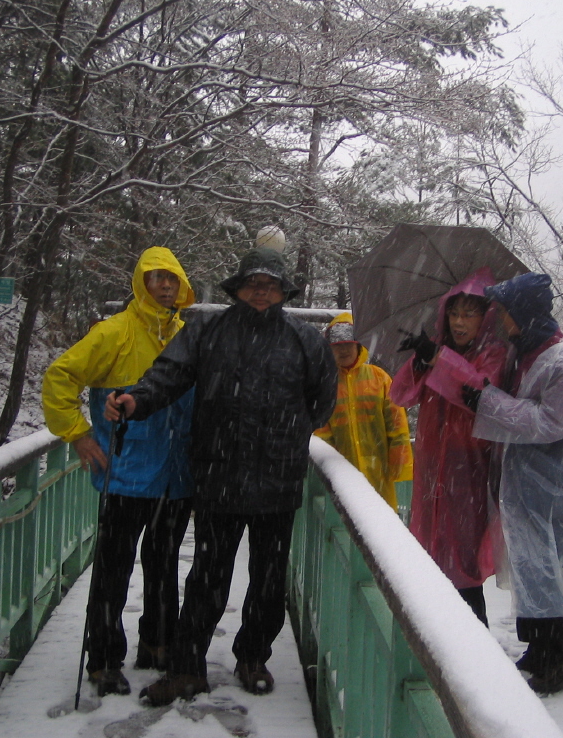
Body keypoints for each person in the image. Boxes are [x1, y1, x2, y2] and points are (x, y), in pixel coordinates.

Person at [103, 247, 337, 704]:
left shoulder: (305, 339)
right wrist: (137, 399)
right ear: (238, 287)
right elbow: (168, 374)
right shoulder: (208, 330)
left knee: (269, 580)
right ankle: (187, 668)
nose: (261, 291)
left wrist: (287, 435)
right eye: (253, 283)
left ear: (283, 291)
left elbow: (322, 399)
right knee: (207, 577)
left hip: (278, 479)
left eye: (270, 284)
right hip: (219, 476)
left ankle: (253, 658)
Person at [42, 247, 196, 697]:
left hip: (175, 477)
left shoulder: (186, 336)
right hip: (125, 473)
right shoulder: (114, 333)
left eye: (172, 278)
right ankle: (104, 658)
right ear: (140, 283)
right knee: (113, 569)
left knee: (164, 564)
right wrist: (78, 434)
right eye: (156, 277)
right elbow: (59, 376)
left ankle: (158, 642)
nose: (165, 285)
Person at [465, 271, 563, 695]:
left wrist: (488, 401)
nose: (499, 319)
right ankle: (539, 648)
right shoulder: (527, 348)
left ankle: (559, 659)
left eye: (504, 311)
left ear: (522, 313)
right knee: (529, 565)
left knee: (541, 569)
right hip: (528, 477)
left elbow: (551, 422)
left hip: (551, 481)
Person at [389, 268, 508, 626]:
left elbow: (480, 391)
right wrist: (421, 361)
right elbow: (401, 395)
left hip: (468, 471)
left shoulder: (494, 354)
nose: (459, 322)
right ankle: (433, 631)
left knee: (463, 563)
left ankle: (472, 639)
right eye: (454, 313)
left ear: (485, 318)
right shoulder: (438, 349)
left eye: (469, 314)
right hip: (432, 470)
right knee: (429, 556)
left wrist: (439, 358)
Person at [314, 312, 414, 512]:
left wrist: (399, 463)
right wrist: (329, 467)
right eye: (338, 346)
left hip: (379, 471)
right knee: (345, 523)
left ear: (359, 346)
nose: (344, 350)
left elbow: (397, 425)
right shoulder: (326, 385)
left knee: (380, 519)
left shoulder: (379, 378)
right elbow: (322, 433)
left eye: (348, 344)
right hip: (342, 475)